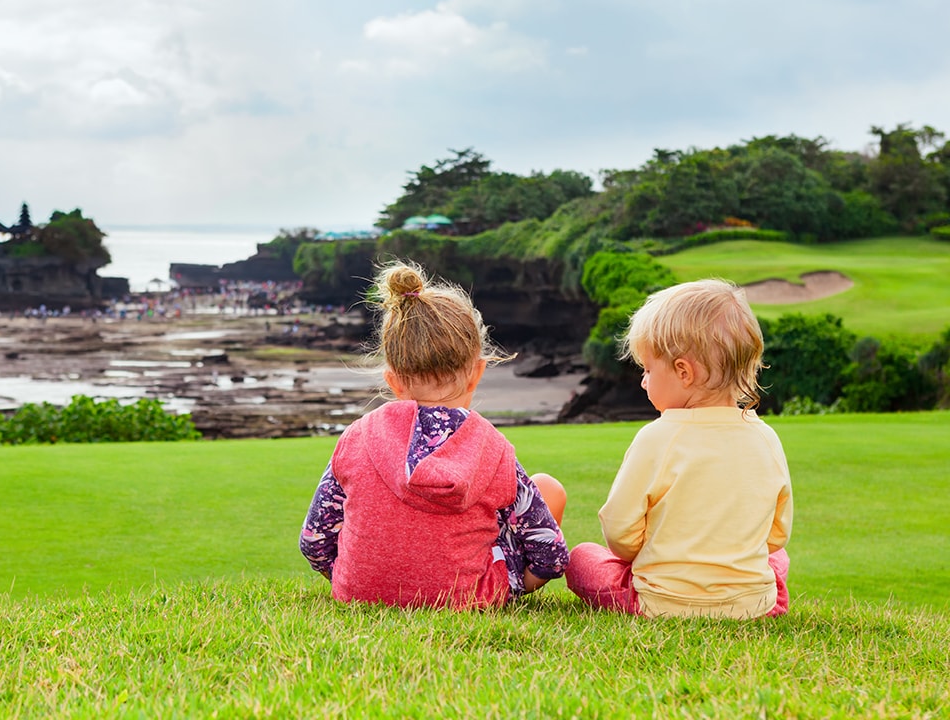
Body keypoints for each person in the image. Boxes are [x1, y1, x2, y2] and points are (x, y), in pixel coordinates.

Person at [299, 261, 569, 609]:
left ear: (392, 380)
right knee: (547, 488)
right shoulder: (494, 448)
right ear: (477, 372)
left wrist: (353, 577)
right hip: (467, 598)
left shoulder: (357, 436)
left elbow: (314, 540)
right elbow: (550, 553)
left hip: (359, 593)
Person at [566, 279, 792, 619]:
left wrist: (647, 555)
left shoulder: (656, 438)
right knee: (778, 559)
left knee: (582, 558)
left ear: (683, 372)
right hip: (750, 605)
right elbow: (777, 534)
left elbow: (619, 531)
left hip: (660, 601)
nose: (643, 381)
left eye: (647, 369)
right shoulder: (765, 437)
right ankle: (771, 602)